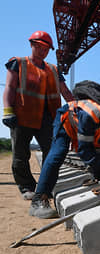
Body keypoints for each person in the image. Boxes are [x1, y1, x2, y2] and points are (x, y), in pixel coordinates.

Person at [29, 80, 100, 219]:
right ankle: (39, 199)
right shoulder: (91, 115)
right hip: (67, 119)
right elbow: (85, 151)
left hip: (91, 123)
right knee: (57, 154)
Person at [2, 31, 74, 200]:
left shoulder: (54, 69)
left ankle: (46, 186)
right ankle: (27, 187)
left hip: (48, 119)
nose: (43, 51)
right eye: (40, 47)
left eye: (46, 48)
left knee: (53, 153)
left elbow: (65, 92)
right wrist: (7, 111)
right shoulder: (18, 63)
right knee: (20, 155)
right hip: (22, 117)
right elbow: (10, 88)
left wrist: (76, 107)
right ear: (32, 45)